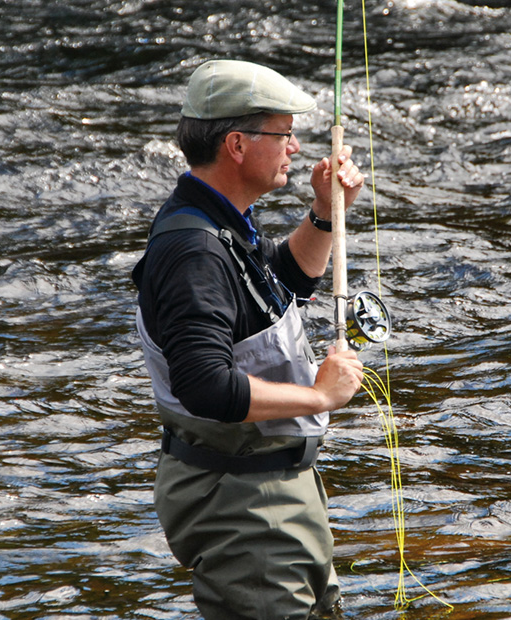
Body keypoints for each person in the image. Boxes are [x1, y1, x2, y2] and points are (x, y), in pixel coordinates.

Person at [131, 59, 366, 620]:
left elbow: (280, 284)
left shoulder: (219, 221)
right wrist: (320, 397)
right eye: (283, 133)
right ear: (237, 144)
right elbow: (205, 386)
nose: (294, 146)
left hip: (273, 495)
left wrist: (325, 214)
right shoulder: (194, 250)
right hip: (242, 507)